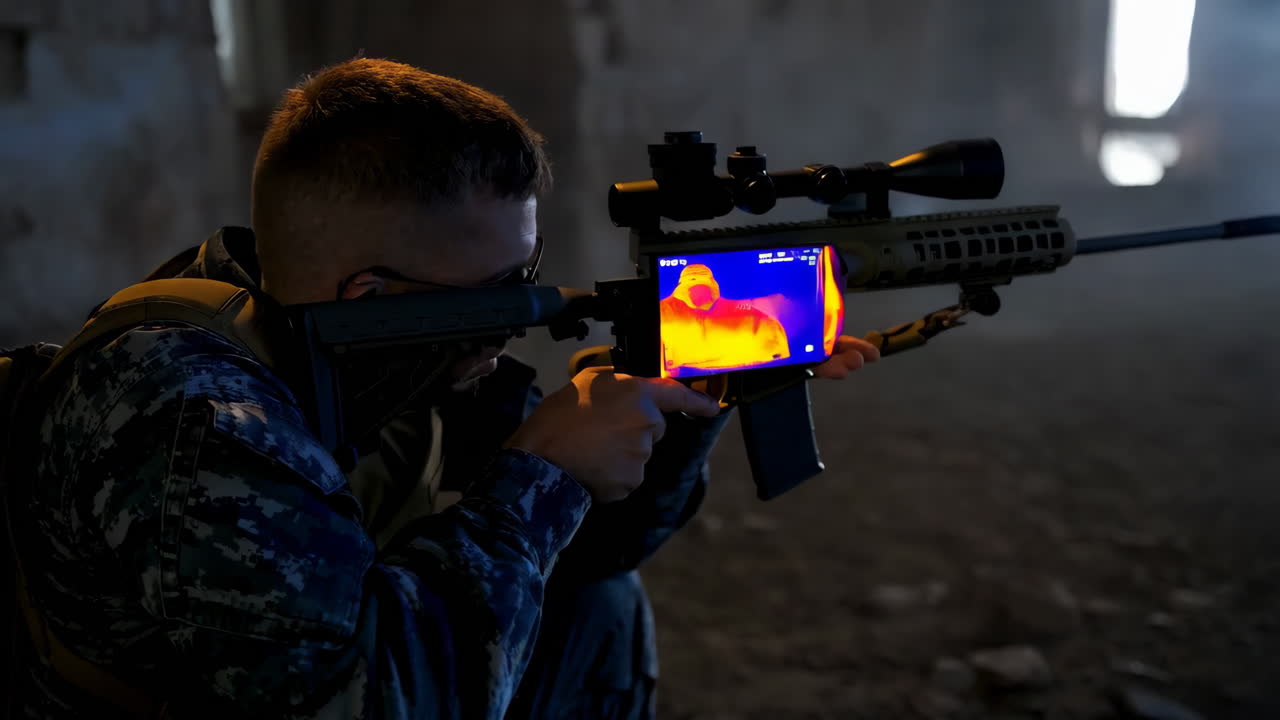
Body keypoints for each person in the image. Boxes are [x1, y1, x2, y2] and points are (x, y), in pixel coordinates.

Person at [10, 58, 879, 718]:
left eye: (527, 275)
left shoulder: (385, 356)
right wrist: (544, 475)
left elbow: (590, 552)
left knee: (596, 602)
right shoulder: (187, 410)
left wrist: (693, 390)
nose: (519, 321)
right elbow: (371, 701)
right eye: (496, 293)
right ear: (370, 297)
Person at [659, 263, 791, 376]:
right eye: (693, 288)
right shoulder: (663, 312)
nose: (698, 294)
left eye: (702, 288)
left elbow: (779, 359)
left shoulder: (751, 315)